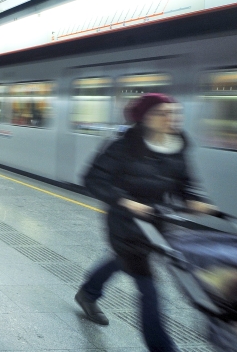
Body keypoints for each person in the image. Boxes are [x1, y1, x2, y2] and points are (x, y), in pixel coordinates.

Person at [74, 93, 217, 352]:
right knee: (148, 289)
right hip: (124, 223)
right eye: (162, 113)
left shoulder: (177, 146)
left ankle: (88, 292)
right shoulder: (122, 146)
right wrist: (125, 202)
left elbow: (186, 184)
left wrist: (195, 200)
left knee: (121, 261)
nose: (171, 118)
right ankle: (162, 347)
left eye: (174, 113)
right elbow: (93, 180)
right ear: (145, 118)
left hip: (156, 222)